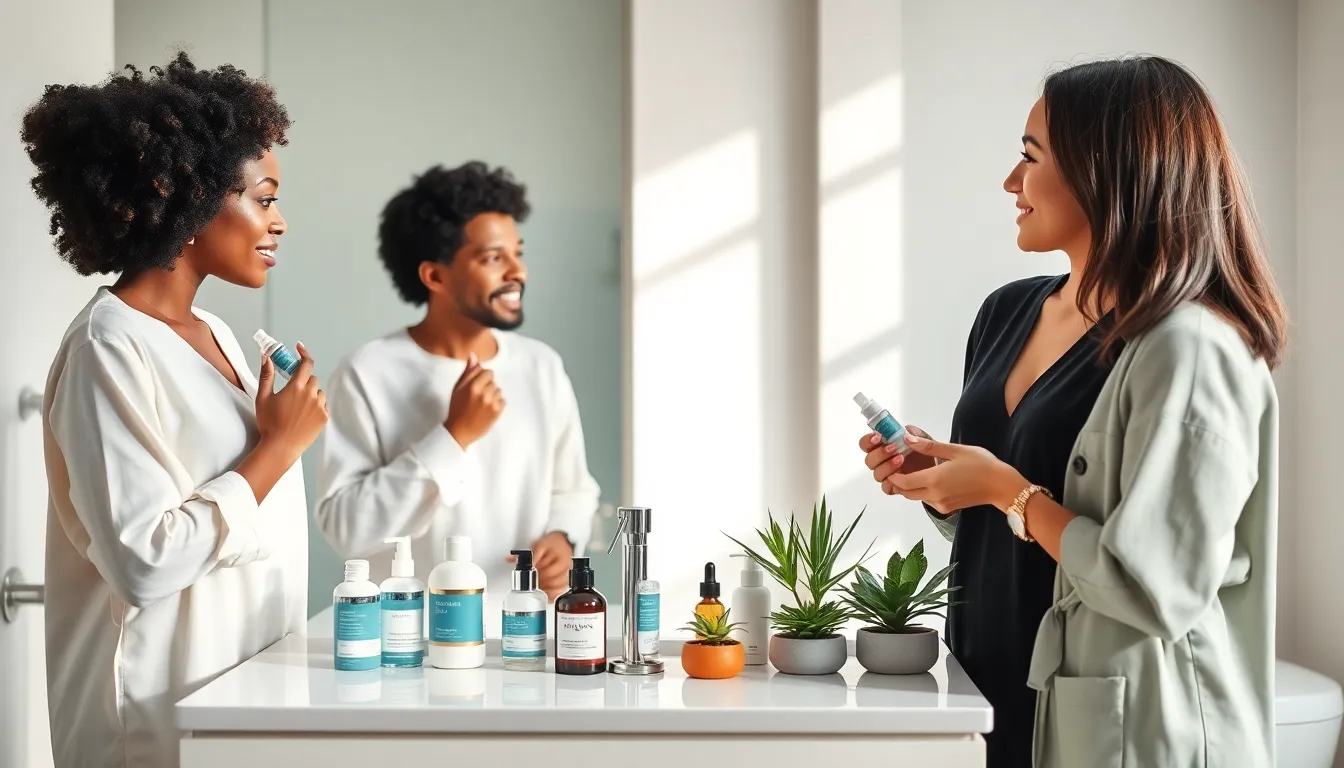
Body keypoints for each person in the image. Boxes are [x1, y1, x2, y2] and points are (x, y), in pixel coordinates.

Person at [866, 56, 1284, 767]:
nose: (1010, 182)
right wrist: (940, 480)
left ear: (1107, 172)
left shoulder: (1188, 347)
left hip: (1123, 724)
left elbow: (1155, 588)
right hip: (990, 694)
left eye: (1029, 157)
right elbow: (1017, 515)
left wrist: (1002, 488)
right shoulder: (1007, 312)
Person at [23, 53, 326, 768]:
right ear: (180, 194)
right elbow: (142, 562)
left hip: (240, 709)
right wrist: (276, 451)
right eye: (265, 196)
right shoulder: (107, 347)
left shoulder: (216, 334)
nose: (280, 221)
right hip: (154, 729)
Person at [315, 161, 600, 615]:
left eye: (518, 253)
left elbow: (575, 490)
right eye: (493, 258)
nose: (518, 272)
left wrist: (564, 539)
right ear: (435, 276)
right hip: (410, 642)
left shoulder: (541, 366)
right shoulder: (368, 371)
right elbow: (346, 529)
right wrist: (452, 437)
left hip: (525, 637)